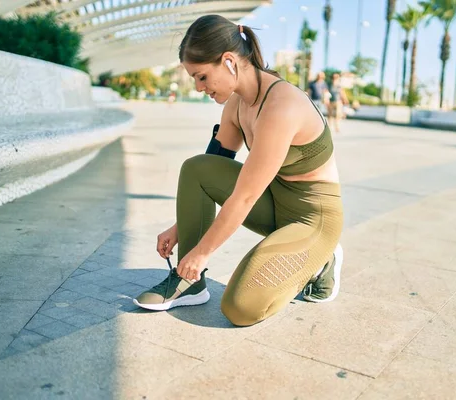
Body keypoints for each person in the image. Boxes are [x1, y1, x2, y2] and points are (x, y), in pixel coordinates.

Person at [133, 15, 344, 327]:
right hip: (273, 201)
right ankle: (188, 282)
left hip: (312, 217)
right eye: (194, 78)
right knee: (196, 168)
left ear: (229, 61)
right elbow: (211, 167)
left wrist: (202, 253)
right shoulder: (235, 104)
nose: (198, 86)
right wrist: (181, 229)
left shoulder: (282, 106)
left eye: (202, 76)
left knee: (240, 307)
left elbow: (243, 198)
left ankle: (321, 257)